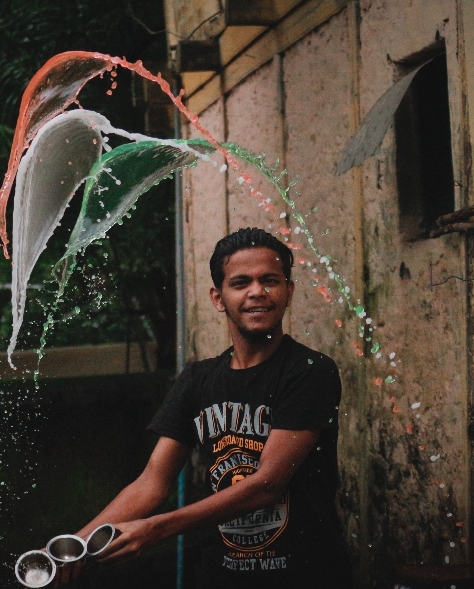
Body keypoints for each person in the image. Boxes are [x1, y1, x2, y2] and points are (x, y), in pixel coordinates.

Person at [67, 227, 351, 587]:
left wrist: (156, 528)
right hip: (221, 575)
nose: (256, 292)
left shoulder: (310, 372)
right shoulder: (198, 381)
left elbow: (265, 485)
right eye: (241, 282)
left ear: (288, 291)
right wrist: (75, 545)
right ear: (219, 298)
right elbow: (152, 483)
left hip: (304, 576)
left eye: (270, 280)